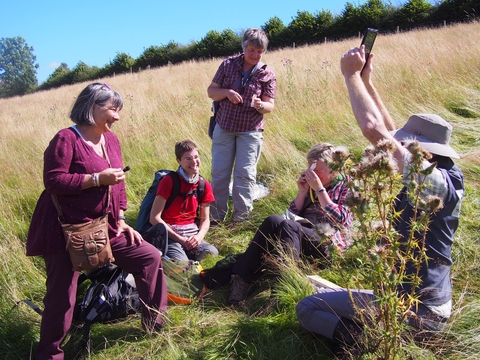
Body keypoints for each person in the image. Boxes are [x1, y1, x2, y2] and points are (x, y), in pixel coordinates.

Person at [296, 46, 465, 355]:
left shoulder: (432, 183)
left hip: (418, 311)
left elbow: (376, 131)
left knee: (307, 308)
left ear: (421, 151)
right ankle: (379, 331)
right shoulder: (444, 175)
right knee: (328, 289)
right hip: (416, 299)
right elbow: (390, 134)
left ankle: (368, 343)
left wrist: (349, 76)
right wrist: (368, 83)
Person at [26, 83, 168, 360]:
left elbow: (119, 184)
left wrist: (124, 220)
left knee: (149, 257)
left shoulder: (111, 140)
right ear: (92, 107)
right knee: (62, 295)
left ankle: (156, 326)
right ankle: (49, 354)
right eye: (112, 109)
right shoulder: (66, 139)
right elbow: (53, 180)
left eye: (119, 110)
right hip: (65, 230)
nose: (117, 116)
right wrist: (95, 180)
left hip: (107, 227)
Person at [228, 143, 353, 304]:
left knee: (289, 226)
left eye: (318, 170)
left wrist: (320, 190)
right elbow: (291, 215)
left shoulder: (348, 185)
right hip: (303, 233)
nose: (312, 174)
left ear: (333, 168)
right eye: (310, 169)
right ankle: (241, 279)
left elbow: (343, 219)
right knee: (273, 220)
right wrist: (302, 192)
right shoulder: (311, 185)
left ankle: (280, 286)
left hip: (329, 243)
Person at [207, 27, 277, 223]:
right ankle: (216, 218)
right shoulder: (228, 65)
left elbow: (270, 105)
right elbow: (211, 91)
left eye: (259, 51)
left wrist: (261, 105)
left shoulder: (267, 73)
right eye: (251, 49)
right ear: (243, 47)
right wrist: (227, 93)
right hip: (224, 127)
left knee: (245, 175)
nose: (255, 55)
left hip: (251, 131)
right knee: (220, 174)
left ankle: (241, 219)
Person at [146, 139, 218, 261]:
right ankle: (172, 255)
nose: (194, 162)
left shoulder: (204, 185)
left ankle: (186, 256)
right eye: (188, 159)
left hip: (192, 234)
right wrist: (181, 240)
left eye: (196, 157)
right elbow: (154, 218)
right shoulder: (169, 181)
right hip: (170, 234)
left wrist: (199, 238)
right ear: (179, 161)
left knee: (212, 253)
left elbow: (205, 219)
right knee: (181, 263)